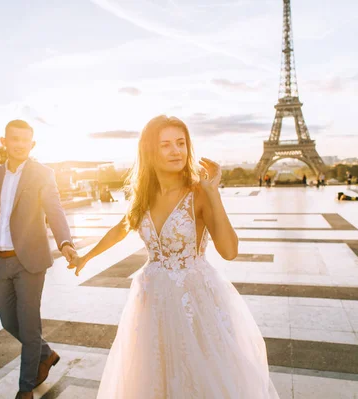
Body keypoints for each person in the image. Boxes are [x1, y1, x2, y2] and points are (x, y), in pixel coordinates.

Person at [67, 115, 279, 398]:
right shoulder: (143, 195)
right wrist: (86, 257)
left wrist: (213, 193)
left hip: (194, 299)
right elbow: (121, 228)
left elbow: (229, 251)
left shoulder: (198, 193)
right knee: (155, 377)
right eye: (165, 144)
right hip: (151, 298)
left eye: (181, 143)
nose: (176, 151)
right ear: (149, 151)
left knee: (198, 376)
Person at [0, 119, 78, 399]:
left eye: (25, 140)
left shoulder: (42, 174)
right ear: (4, 141)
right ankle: (45, 354)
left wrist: (65, 242)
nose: (20, 144)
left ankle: (25, 389)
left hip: (29, 263)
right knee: (8, 322)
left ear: (32, 144)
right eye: (14, 138)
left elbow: (55, 210)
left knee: (29, 322)